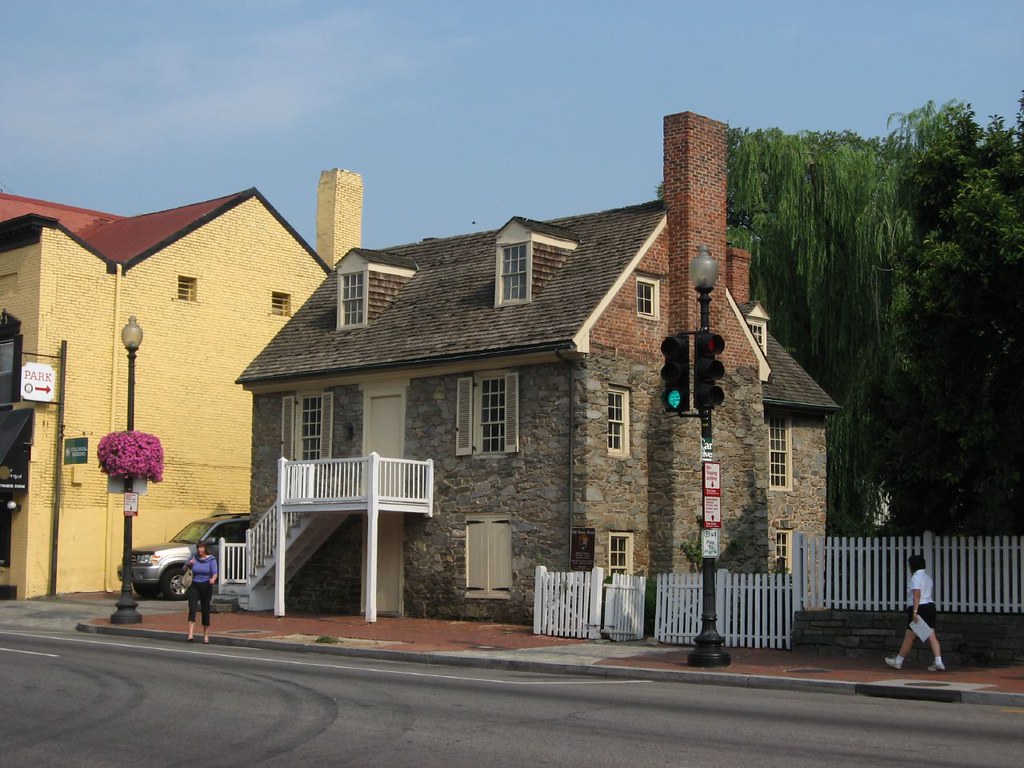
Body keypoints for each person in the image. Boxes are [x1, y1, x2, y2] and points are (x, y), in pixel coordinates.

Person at [886, 554, 944, 671]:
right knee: (931, 635)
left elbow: (916, 594)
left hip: (920, 608)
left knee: (909, 636)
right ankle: (938, 661)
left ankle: (898, 661)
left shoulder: (916, 578)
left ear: (913, 566)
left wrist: (915, 612)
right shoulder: (927, 577)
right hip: (930, 607)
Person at [184, 541, 218, 644]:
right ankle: (190, 634)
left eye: (202, 547)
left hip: (206, 585)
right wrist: (189, 564)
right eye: (198, 547)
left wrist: (213, 579)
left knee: (205, 609)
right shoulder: (194, 557)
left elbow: (215, 573)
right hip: (194, 585)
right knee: (192, 608)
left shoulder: (211, 559)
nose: (199, 550)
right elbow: (184, 569)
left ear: (205, 548)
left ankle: (206, 635)